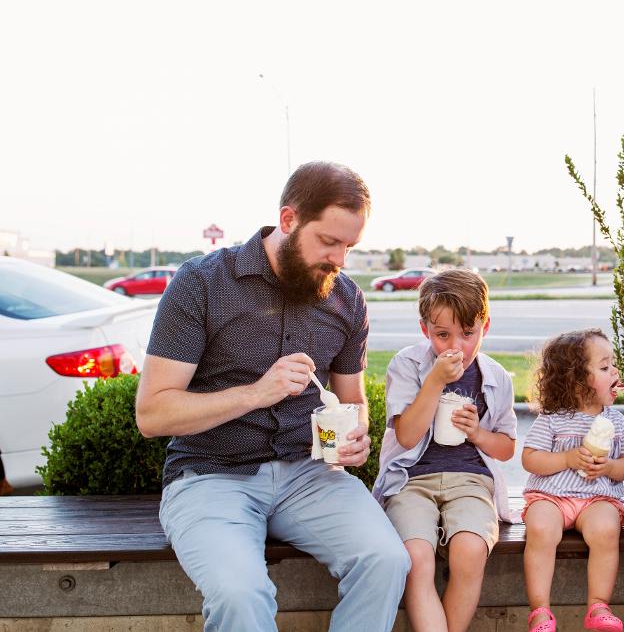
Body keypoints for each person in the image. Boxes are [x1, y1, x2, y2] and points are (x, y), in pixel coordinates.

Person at [135, 162, 410, 632]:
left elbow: (352, 400)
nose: (339, 259)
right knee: (242, 595)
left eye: (349, 246)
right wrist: (257, 393)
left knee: (386, 561)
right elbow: (153, 413)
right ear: (288, 220)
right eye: (328, 241)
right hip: (210, 475)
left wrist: (357, 435)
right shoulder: (202, 283)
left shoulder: (347, 299)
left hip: (311, 474)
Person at [372, 269, 518, 632]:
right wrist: (435, 380)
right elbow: (406, 436)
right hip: (412, 480)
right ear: (425, 330)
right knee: (415, 556)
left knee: (470, 551)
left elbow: (507, 448)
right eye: (442, 335)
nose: (457, 346)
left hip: (471, 481)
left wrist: (479, 434)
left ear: (485, 325)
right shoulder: (408, 365)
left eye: (468, 333)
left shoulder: (495, 378)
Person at [521, 329, 624, 632]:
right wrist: (566, 459)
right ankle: (540, 611)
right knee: (540, 529)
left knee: (605, 530)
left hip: (597, 498)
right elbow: (530, 458)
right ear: (576, 381)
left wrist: (610, 467)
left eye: (613, 364)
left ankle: (598, 606)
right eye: (604, 367)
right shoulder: (553, 417)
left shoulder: (614, 419)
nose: (615, 371)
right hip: (551, 496)